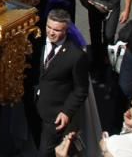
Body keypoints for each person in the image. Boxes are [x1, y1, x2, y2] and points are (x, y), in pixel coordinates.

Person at [28, 9, 89, 155]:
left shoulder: (76, 55)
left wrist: (67, 112)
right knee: (35, 141)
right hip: (34, 105)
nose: (51, 32)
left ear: (66, 30)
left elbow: (81, 89)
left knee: (45, 152)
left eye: (56, 30)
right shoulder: (38, 43)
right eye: (48, 27)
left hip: (55, 114)